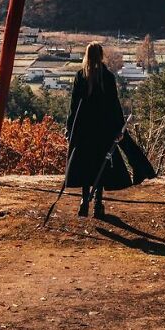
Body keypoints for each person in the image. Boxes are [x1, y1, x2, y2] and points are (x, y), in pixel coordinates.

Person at [65, 42, 132, 219]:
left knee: (85, 164)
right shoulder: (108, 77)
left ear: (86, 55)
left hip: (83, 129)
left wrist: (69, 127)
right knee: (100, 165)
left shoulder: (81, 76)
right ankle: (98, 204)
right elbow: (114, 106)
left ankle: (84, 200)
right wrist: (119, 127)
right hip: (103, 129)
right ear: (101, 55)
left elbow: (73, 106)